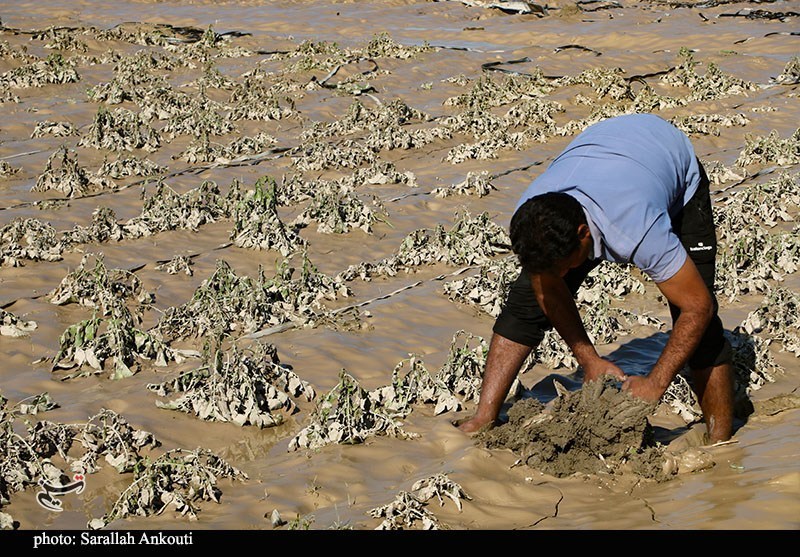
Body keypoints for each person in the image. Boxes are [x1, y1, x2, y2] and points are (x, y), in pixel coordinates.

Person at [457, 113, 734, 443]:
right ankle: (483, 417)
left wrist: (655, 383)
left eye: (563, 266)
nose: (560, 276)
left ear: (584, 234)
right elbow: (549, 292)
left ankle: (721, 442)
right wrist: (588, 359)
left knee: (700, 328)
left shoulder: (636, 229)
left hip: (669, 161)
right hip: (604, 149)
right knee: (524, 307)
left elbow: (698, 307)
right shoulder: (534, 215)